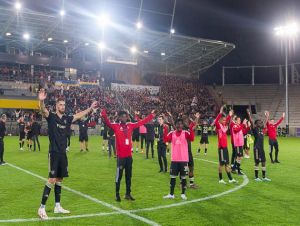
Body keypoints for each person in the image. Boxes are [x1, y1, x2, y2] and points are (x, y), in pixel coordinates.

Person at [37, 88, 98, 220]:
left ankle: (57, 206)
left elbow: (78, 115)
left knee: (60, 179)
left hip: (63, 154)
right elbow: (43, 110)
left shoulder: (67, 118)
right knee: (52, 179)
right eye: (60, 105)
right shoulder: (51, 117)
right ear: (56, 106)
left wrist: (90, 108)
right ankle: (41, 208)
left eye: (64, 105)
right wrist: (41, 101)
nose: (63, 106)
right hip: (53, 153)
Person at [101, 109, 155, 202]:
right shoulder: (116, 126)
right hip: (120, 157)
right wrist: (104, 114)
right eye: (122, 116)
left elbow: (141, 122)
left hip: (129, 156)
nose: (124, 118)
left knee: (128, 176)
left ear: (127, 117)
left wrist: (151, 116)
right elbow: (107, 122)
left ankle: (128, 194)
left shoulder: (130, 125)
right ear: (119, 117)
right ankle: (117, 194)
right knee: (119, 176)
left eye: (125, 116)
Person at [163, 117, 195, 200]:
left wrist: (191, 128)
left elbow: (192, 138)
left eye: (180, 124)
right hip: (174, 160)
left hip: (184, 160)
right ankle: (171, 194)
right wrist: (166, 129)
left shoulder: (185, 133)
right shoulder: (172, 133)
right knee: (172, 177)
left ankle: (183, 194)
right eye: (178, 124)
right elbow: (165, 140)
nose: (179, 125)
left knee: (184, 178)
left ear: (182, 125)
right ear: (176, 125)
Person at [248, 109, 271, 182]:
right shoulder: (255, 129)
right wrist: (249, 114)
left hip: (262, 149)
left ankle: (264, 177)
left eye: (261, 122)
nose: (261, 123)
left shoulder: (262, 129)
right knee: (257, 162)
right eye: (259, 122)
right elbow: (251, 121)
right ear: (256, 124)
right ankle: (256, 177)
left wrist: (267, 116)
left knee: (264, 162)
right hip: (256, 148)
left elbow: (265, 123)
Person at [215, 106, 237, 184]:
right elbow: (216, 122)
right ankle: (220, 179)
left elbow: (227, 120)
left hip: (225, 148)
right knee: (221, 164)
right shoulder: (219, 126)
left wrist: (230, 115)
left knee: (227, 164)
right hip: (221, 148)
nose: (225, 121)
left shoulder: (224, 126)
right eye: (223, 120)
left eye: (225, 120)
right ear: (220, 121)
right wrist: (220, 113)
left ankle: (230, 179)